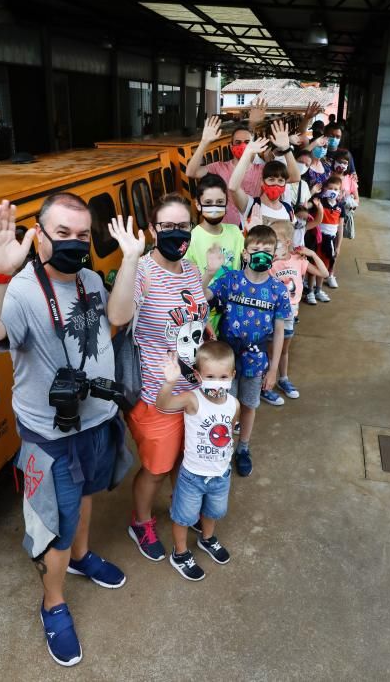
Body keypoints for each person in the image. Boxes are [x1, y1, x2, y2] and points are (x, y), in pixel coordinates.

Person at [0, 194, 126, 668]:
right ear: (39, 234)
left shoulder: (91, 279)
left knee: (88, 494)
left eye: (82, 235)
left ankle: (83, 556)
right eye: (62, 234)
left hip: (95, 421)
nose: (74, 244)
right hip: (48, 438)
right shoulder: (20, 291)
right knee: (52, 527)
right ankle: (53, 604)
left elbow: (109, 326)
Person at [107, 194, 209, 561]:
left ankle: (182, 508)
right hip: (155, 394)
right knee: (156, 467)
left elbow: (198, 319)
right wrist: (129, 258)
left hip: (193, 390)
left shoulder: (192, 270)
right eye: (167, 226)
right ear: (152, 230)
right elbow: (117, 316)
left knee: (184, 461)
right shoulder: (143, 272)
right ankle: (141, 521)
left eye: (183, 226)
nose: (176, 233)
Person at [203, 225, 291, 475]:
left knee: (249, 404)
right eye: (256, 250)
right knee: (224, 404)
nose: (261, 255)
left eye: (267, 251)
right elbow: (201, 295)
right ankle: (223, 446)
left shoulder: (278, 290)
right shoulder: (231, 280)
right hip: (226, 357)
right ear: (245, 254)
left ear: (275, 255)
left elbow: (279, 331)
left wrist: (273, 370)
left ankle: (243, 447)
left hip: (256, 358)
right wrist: (209, 272)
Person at [156, 342, 239, 581]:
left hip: (221, 474)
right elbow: (163, 405)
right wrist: (170, 382)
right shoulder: (192, 400)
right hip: (192, 476)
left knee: (213, 512)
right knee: (183, 517)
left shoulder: (234, 404)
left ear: (232, 376)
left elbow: (229, 432)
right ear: (198, 375)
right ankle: (180, 553)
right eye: (210, 376)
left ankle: (207, 539)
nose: (217, 381)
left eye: (223, 376)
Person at [269, 221, 329, 400]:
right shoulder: (270, 263)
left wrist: (311, 253)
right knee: (270, 350)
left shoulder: (299, 261)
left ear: (287, 242)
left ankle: (283, 378)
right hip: (272, 314)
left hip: (291, 314)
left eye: (275, 240)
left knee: (284, 350)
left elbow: (324, 273)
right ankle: (267, 383)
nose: (271, 244)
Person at [185, 173, 244, 331]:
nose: (214, 207)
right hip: (206, 317)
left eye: (219, 202)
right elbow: (188, 287)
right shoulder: (191, 239)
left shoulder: (235, 233)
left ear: (226, 204)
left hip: (233, 312)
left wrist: (256, 232)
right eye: (208, 203)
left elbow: (247, 265)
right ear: (198, 205)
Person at [230, 147, 296, 232]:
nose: (276, 184)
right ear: (262, 182)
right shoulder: (250, 204)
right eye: (271, 179)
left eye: (280, 181)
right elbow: (233, 188)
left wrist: (286, 147)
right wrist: (247, 153)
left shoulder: (288, 209)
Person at [314, 175, 345, 298]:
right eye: (330, 188)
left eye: (336, 189)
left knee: (325, 263)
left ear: (340, 191)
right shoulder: (319, 202)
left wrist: (338, 246)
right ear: (325, 189)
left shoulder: (340, 207)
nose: (333, 191)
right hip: (317, 238)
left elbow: (340, 228)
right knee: (313, 262)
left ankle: (318, 289)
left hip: (330, 241)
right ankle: (311, 288)